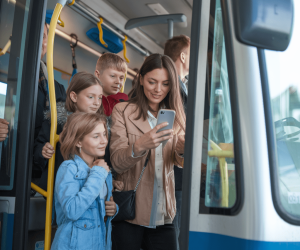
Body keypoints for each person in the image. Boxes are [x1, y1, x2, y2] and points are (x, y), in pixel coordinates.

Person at [110, 54, 186, 250]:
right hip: (130, 210)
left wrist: (182, 151)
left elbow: (177, 163)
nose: (158, 89)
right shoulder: (122, 111)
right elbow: (117, 161)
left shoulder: (175, 117)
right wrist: (140, 145)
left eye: (165, 83)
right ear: (141, 79)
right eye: (152, 82)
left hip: (164, 212)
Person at [51, 112, 117, 250]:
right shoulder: (69, 168)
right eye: (96, 136)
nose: (104, 140)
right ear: (78, 141)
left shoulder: (102, 170)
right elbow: (72, 210)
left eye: (104, 134)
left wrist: (113, 209)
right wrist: (98, 174)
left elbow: (99, 211)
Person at [33, 72, 104, 192]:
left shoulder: (100, 127)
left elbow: (104, 158)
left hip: (89, 188)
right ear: (74, 97)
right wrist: (43, 151)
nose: (97, 102)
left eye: (100, 97)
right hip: (59, 188)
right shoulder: (56, 122)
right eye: (91, 97)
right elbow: (38, 148)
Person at [164, 34, 190, 249]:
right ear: (183, 56)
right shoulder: (171, 87)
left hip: (178, 169)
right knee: (174, 231)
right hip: (173, 170)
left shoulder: (182, 86)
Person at [94, 52, 129, 117]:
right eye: (113, 76)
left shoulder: (125, 102)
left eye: (121, 78)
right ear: (98, 75)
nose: (118, 82)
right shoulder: (89, 99)